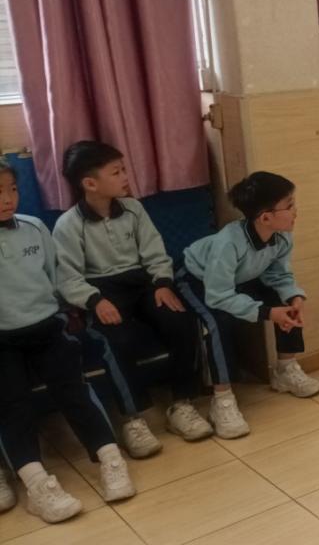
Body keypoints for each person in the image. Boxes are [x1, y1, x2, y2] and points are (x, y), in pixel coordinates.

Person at [53, 141, 212, 457]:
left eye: (124, 169)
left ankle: (181, 404)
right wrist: (95, 301)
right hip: (101, 291)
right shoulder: (68, 225)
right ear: (90, 183)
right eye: (117, 172)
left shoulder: (133, 209)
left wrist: (162, 283)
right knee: (116, 339)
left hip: (142, 282)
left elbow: (155, 252)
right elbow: (67, 278)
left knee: (180, 321)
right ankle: (133, 418)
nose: (126, 177)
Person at [0, 159, 134, 521]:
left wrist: (66, 311)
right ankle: (37, 485)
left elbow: (54, 276)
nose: (8, 198)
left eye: (12, 189)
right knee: (12, 404)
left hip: (45, 326)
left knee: (73, 389)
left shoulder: (33, 227)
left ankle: (109, 458)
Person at [176, 172, 319, 439]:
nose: (295, 211)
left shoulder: (282, 235)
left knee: (285, 303)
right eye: (289, 205)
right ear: (265, 217)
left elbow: (279, 275)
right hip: (197, 280)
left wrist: (294, 297)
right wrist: (267, 313)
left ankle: (286, 370)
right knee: (217, 322)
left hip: (238, 279)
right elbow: (218, 295)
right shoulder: (228, 244)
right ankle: (222, 400)